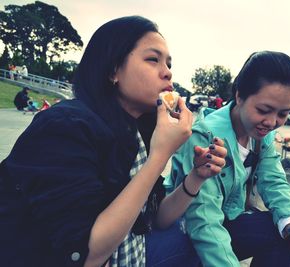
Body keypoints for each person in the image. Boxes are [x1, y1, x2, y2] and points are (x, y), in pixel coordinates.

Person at [0, 16, 227, 267]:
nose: (168, 72)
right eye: (153, 59)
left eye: (169, 63)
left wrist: (196, 177)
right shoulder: (64, 127)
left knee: (196, 241)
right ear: (112, 70)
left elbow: (157, 218)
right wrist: (160, 156)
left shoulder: (138, 130)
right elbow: (84, 255)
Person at [166, 51, 290, 267]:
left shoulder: (263, 136)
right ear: (239, 96)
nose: (271, 122)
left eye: (282, 113)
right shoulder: (205, 138)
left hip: (227, 221)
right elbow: (204, 220)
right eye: (263, 110)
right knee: (277, 233)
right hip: (188, 233)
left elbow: (275, 182)